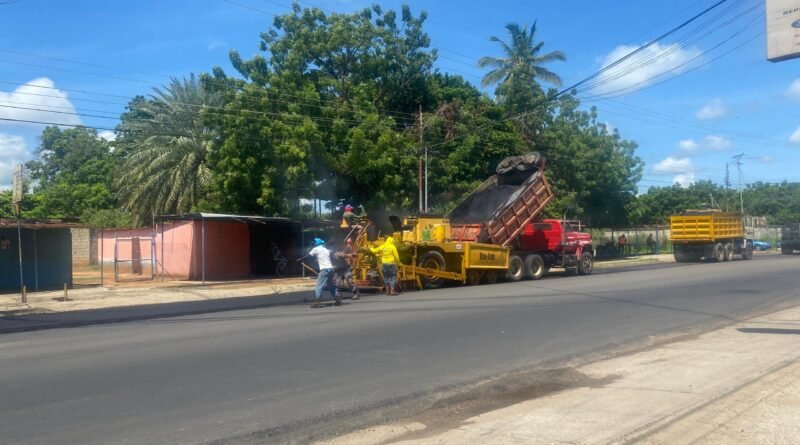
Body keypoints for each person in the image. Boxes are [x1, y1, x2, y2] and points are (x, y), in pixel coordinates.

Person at [297, 237, 341, 308]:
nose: (313, 245)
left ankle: (317, 302)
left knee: (318, 286)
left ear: (316, 243)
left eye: (314, 243)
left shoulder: (316, 249)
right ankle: (337, 300)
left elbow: (309, 255)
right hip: (330, 269)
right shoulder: (326, 249)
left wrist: (300, 259)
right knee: (330, 286)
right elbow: (332, 254)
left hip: (324, 270)